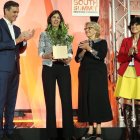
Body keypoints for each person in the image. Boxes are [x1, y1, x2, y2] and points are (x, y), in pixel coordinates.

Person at [38, 10, 75, 140]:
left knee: (66, 100)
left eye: (58, 18)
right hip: (49, 68)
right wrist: (47, 55)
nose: (56, 20)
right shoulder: (44, 34)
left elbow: (70, 51)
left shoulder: (66, 35)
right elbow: (40, 52)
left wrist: (68, 58)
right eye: (54, 17)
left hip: (63, 68)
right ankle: (51, 135)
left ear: (61, 20)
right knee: (50, 101)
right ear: (50, 19)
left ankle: (68, 134)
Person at [0, 1, 34, 140]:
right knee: (1, 101)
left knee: (11, 101)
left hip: (15, 69)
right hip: (2, 69)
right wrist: (17, 40)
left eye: (17, 12)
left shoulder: (17, 29)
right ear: (6, 11)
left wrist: (25, 40)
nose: (16, 14)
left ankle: (9, 130)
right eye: (14, 12)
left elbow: (19, 49)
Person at [75, 21, 113, 140]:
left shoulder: (102, 42)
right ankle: (90, 128)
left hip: (98, 74)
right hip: (85, 74)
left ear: (96, 30)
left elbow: (101, 56)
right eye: (86, 28)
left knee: (97, 98)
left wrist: (90, 49)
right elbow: (77, 59)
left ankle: (99, 128)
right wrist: (84, 50)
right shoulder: (82, 43)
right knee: (87, 99)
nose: (87, 30)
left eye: (89, 28)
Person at [114, 17, 140, 140]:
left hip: (138, 73)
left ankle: (139, 131)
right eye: (132, 25)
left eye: (137, 25)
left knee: (139, 101)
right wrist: (128, 53)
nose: (134, 27)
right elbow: (120, 58)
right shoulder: (125, 40)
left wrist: (136, 53)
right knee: (127, 101)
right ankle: (129, 133)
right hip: (127, 73)